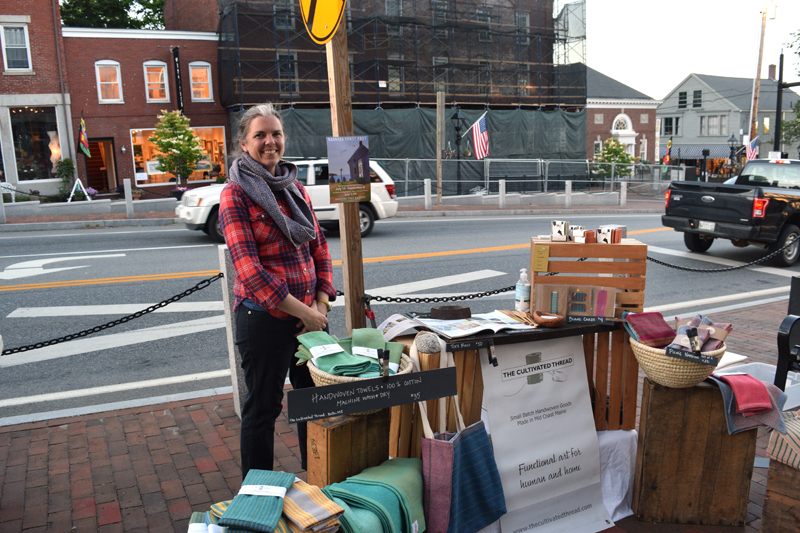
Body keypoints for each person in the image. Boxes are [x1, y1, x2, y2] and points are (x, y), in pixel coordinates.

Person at [219, 104, 336, 478]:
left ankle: (316, 479)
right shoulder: (235, 194)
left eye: (276, 134)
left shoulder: (294, 187)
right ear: (243, 143)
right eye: (260, 135)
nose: (270, 142)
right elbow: (250, 271)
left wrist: (319, 306)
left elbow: (319, 248)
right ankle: (258, 492)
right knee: (263, 409)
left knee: (313, 402)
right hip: (264, 319)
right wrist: (307, 315)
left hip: (311, 316)